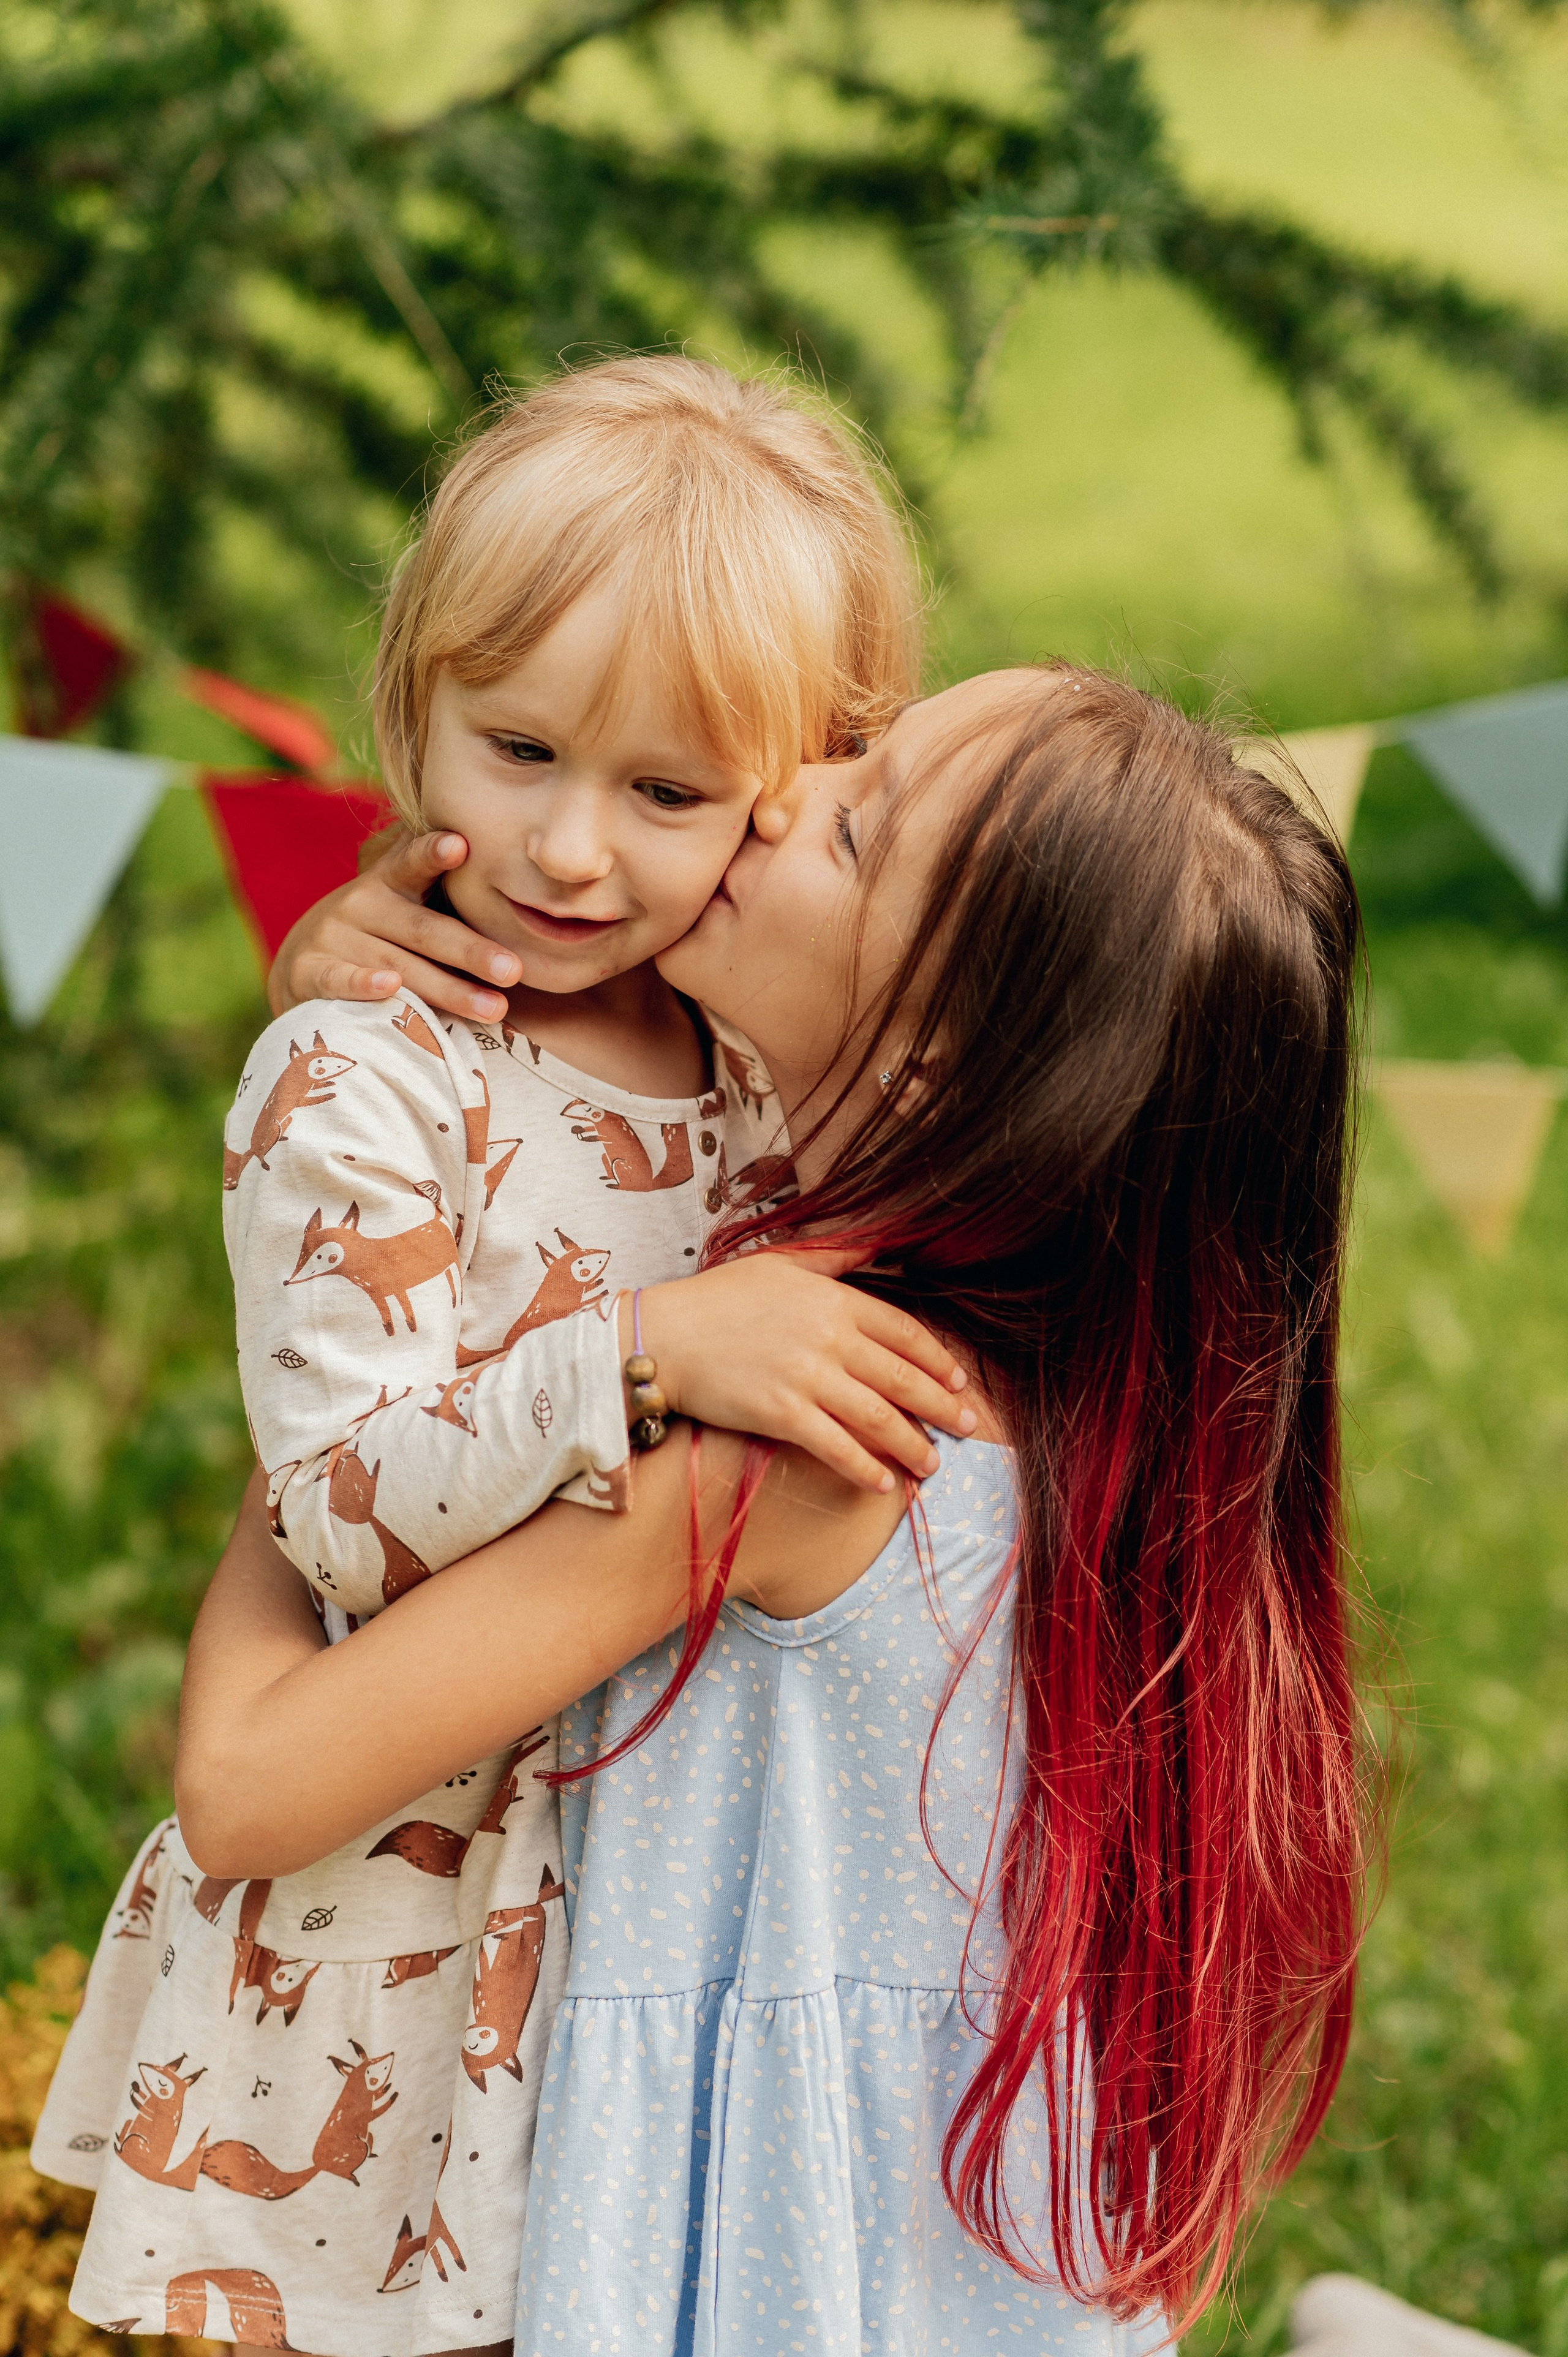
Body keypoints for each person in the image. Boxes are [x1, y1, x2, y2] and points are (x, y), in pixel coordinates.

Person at [176, 663, 1371, 2355]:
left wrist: (323, 1403)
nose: (784, 788)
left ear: (953, 1041)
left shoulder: (788, 1448)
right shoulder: (1048, 1371)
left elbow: (247, 1788)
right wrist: (380, 1018)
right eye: (863, 751)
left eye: (861, 829)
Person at [31, 354, 978, 2357]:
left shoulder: (762, 1067)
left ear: (795, 790)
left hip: (665, 1908)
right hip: (404, 1910)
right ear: (415, 707)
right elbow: (343, 1531)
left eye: (666, 794)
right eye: (518, 746)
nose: (565, 851)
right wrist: (642, 1349)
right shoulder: (366, 1081)